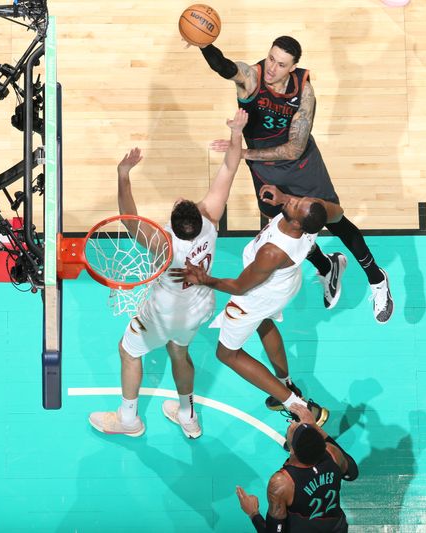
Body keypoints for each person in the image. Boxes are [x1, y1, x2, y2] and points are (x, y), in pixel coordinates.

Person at [195, 35, 394, 324]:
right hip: (264, 168)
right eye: (271, 58)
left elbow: (294, 148)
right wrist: (204, 45)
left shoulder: (305, 92)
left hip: (301, 165)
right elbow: (224, 66)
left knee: (333, 220)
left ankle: (377, 279)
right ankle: (327, 266)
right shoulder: (252, 77)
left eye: (281, 64)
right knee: (286, 229)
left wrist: (244, 153)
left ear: (294, 66)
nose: (272, 68)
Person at [88, 109, 249, 439]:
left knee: (128, 351)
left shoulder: (162, 243)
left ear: (173, 222)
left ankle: (128, 420)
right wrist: (237, 133)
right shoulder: (210, 219)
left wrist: (123, 174)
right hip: (198, 307)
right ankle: (187, 414)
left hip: (162, 312)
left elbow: (129, 218)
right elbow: (231, 166)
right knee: (179, 352)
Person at [172, 185, 342, 423]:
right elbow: (338, 213)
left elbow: (240, 287)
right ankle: (286, 384)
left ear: (297, 224)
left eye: (295, 204)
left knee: (227, 354)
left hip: (257, 295)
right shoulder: (313, 213)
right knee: (264, 323)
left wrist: (204, 279)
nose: (294, 200)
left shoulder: (273, 252)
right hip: (283, 284)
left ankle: (298, 406)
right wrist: (286, 199)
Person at [236, 403, 359, 532]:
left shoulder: (283, 482)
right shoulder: (333, 454)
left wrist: (253, 513)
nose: (294, 424)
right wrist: (314, 426)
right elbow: (351, 474)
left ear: (292, 450)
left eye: (295, 428)